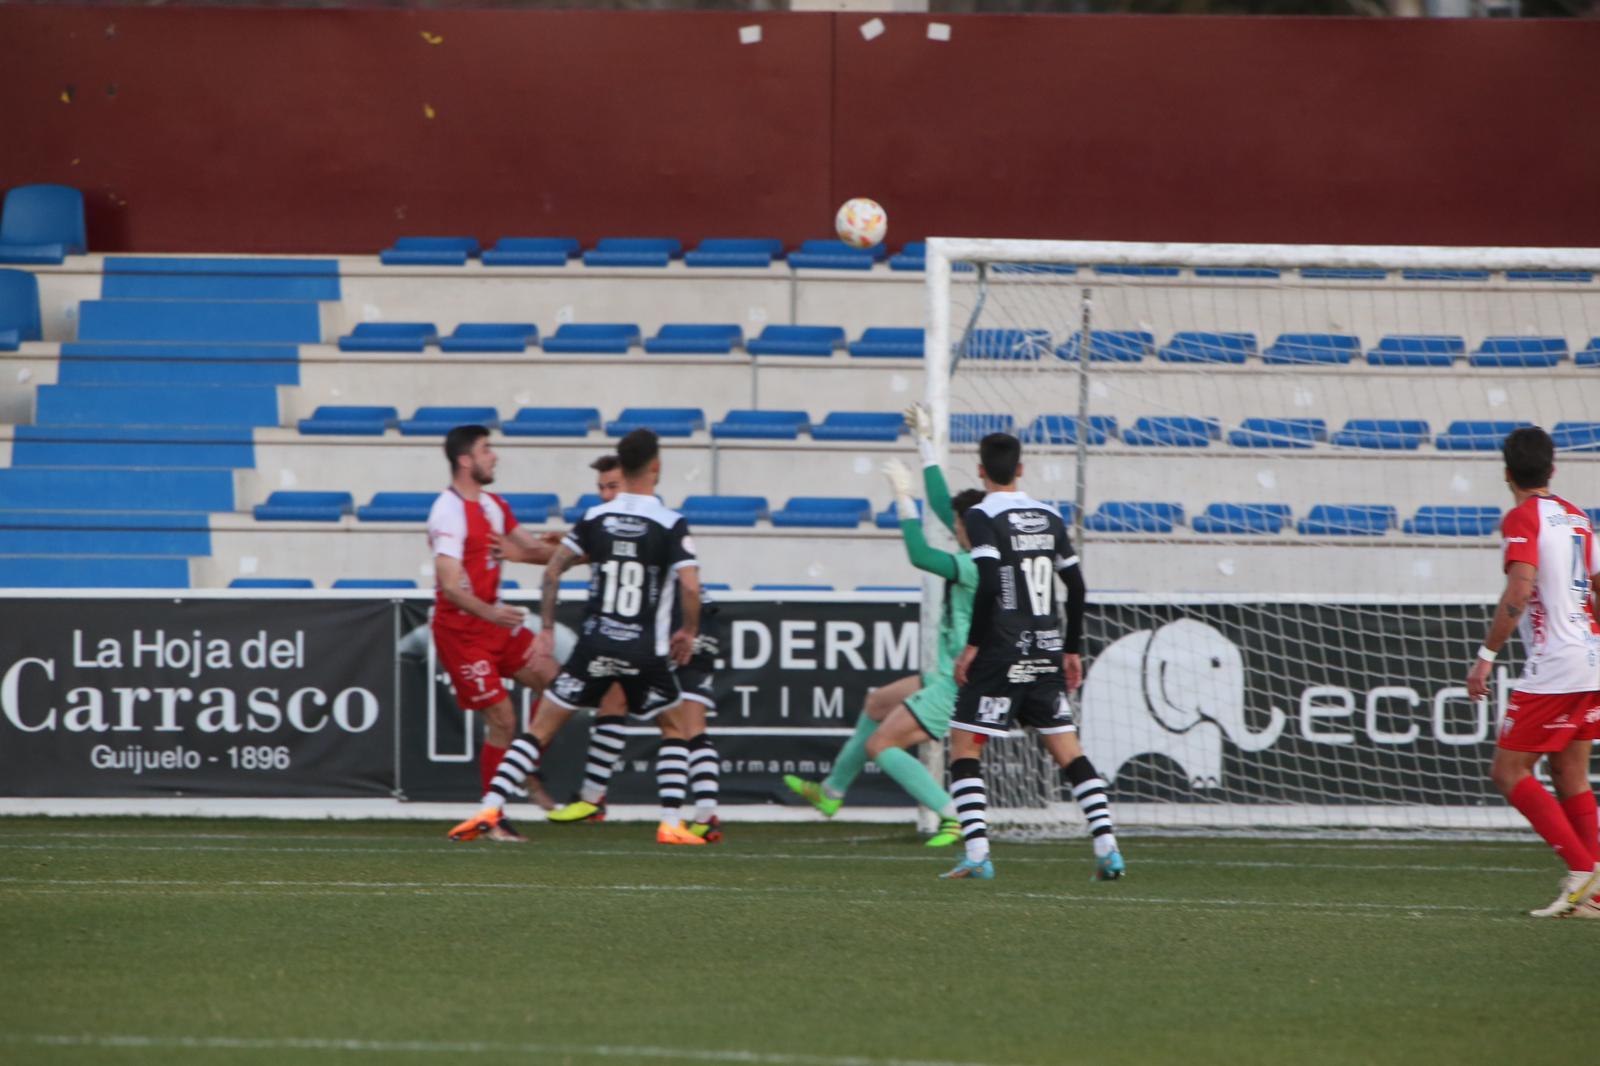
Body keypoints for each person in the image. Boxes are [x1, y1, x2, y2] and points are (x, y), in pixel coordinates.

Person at [459, 428, 707, 846]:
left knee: (540, 729)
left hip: (595, 645)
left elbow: (553, 569)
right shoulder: (670, 522)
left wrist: (550, 629)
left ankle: (489, 807)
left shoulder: (596, 517)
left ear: (622, 470)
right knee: (674, 727)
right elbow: (691, 587)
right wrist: (689, 631)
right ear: (656, 466)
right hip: (645, 650)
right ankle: (670, 822)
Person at [783, 404, 975, 848]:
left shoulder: (974, 564)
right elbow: (947, 508)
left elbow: (921, 555)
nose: (953, 526)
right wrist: (926, 446)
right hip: (951, 669)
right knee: (876, 703)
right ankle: (832, 793)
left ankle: (952, 815)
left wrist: (904, 501)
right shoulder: (977, 546)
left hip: (961, 680)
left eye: (958, 525)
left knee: (880, 746)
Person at [943, 431, 1124, 882]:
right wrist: (1071, 649)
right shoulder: (1048, 515)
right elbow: (1078, 588)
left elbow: (988, 584)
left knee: (964, 746)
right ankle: (1108, 847)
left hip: (1001, 649)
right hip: (1045, 648)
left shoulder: (982, 515)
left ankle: (979, 854)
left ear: (981, 471)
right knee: (1067, 749)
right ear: (1020, 469)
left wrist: (972, 647)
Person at [1465, 426, 1600, 918]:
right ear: (1552, 468)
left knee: (1507, 771)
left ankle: (1584, 872)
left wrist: (1486, 655)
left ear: (1507, 474)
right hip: (1589, 657)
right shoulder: (1576, 517)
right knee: (1571, 775)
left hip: (1557, 664)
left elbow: (1519, 592)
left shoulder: (1522, 518)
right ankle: (1595, 897)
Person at [428, 425, 559, 844]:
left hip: (494, 625)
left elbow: (534, 550)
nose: (495, 456)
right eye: (487, 450)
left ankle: (525, 763)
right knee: (503, 718)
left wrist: (582, 546)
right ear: (466, 460)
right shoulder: (446, 512)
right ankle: (493, 817)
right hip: (463, 633)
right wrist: (492, 613)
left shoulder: (494, 505)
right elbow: (449, 585)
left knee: (558, 685)